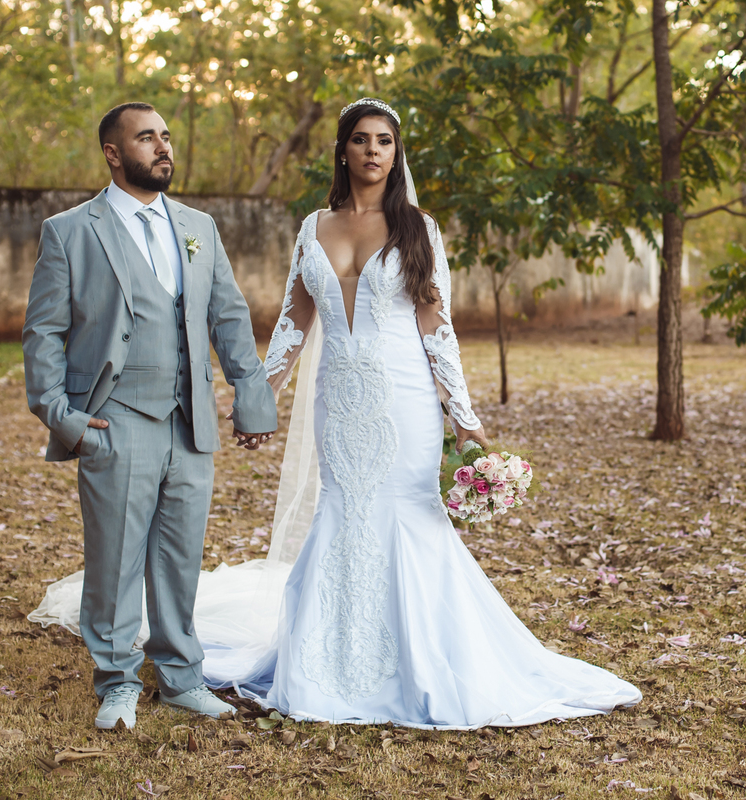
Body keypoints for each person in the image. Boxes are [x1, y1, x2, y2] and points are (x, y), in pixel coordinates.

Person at [204, 97, 641, 727]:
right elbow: (296, 319)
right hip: (338, 397)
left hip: (404, 400)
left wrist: (465, 418)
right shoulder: (312, 228)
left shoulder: (417, 229)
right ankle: (331, 660)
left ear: (395, 152)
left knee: (408, 518)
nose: (373, 150)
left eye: (384, 140)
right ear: (343, 151)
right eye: (361, 139)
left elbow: (437, 327)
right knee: (345, 511)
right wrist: (257, 394)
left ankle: (423, 662)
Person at [22, 102, 277, 730]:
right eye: (146, 138)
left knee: (179, 554)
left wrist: (252, 395)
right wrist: (63, 416)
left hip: (189, 418)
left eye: (165, 136)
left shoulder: (198, 226)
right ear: (114, 153)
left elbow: (228, 315)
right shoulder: (72, 231)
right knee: (114, 558)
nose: (163, 147)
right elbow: (44, 332)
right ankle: (116, 680)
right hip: (115, 418)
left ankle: (181, 679)